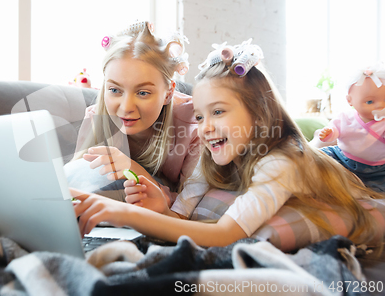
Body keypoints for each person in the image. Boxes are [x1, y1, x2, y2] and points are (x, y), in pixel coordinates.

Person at [70, 40, 384, 248]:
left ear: (259, 113)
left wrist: (121, 213)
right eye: (199, 116)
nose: (204, 129)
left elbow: (224, 235)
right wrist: (161, 209)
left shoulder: (281, 163)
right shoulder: (214, 155)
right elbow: (182, 218)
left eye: (217, 112)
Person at [69, 21, 200, 204]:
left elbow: (189, 210)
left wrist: (132, 168)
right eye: (115, 90)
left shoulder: (196, 127)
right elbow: (78, 179)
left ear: (168, 93)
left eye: (143, 93)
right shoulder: (96, 116)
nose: (126, 107)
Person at [315, 62, 385, 192]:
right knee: (319, 157)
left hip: (378, 169)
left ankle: (362, 190)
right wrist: (329, 133)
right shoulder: (345, 117)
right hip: (343, 158)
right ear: (350, 100)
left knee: (378, 189)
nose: (380, 106)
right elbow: (335, 131)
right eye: (370, 102)